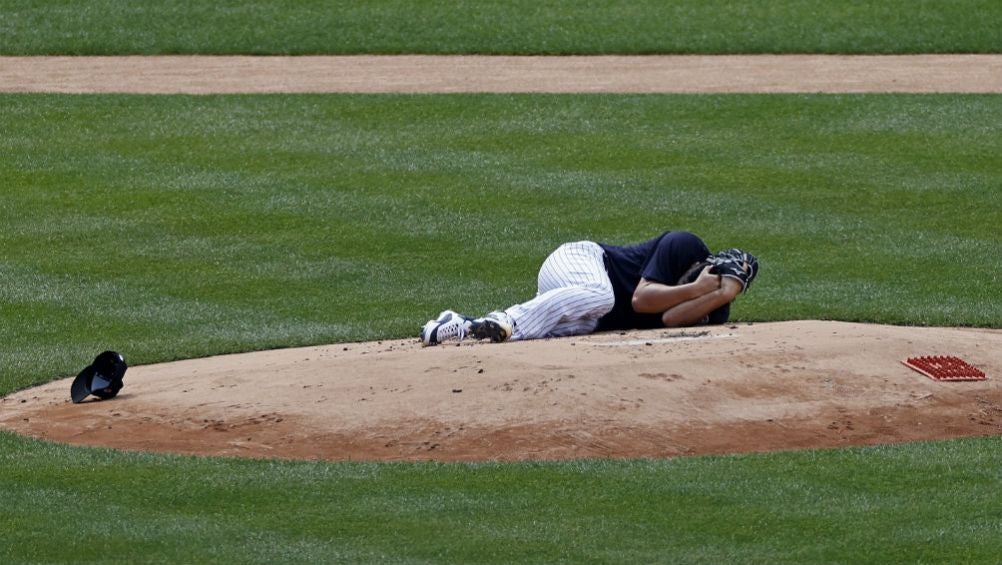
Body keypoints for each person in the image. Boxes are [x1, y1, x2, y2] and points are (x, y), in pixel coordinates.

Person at [420, 230, 758, 346]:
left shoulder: (715, 305)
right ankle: (505, 316)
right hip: (580, 262)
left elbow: (670, 320)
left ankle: (460, 325)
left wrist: (717, 294)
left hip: (589, 312)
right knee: (604, 295)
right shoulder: (684, 245)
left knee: (547, 335)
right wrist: (699, 287)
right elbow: (642, 300)